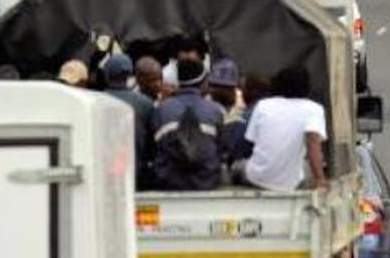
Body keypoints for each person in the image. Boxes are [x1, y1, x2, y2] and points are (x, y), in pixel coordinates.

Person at [240, 65, 327, 191]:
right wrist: (320, 179)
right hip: (289, 184)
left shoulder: (263, 105)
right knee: (303, 165)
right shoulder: (314, 109)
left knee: (237, 165)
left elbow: (251, 140)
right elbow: (312, 145)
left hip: (256, 178)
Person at [151, 58, 225, 191]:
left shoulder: (162, 109)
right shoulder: (215, 110)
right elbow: (221, 148)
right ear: (203, 82)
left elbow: (155, 147)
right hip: (206, 181)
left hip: (168, 182)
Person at [102, 54, 156, 188]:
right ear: (130, 75)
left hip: (103, 174)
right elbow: (152, 145)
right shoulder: (146, 103)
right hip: (136, 174)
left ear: (106, 75)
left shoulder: (94, 100)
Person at [222, 73, 268, 168]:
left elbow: (236, 148)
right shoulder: (276, 111)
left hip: (253, 165)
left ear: (250, 91)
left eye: (242, 89)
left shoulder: (247, 115)